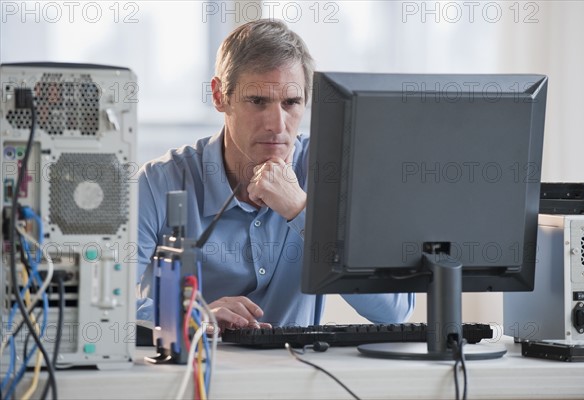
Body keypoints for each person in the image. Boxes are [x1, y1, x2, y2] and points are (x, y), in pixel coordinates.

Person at [136, 19, 414, 331]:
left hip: (296, 374)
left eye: (291, 103)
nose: (277, 125)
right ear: (219, 96)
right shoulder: (158, 183)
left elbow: (393, 310)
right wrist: (193, 316)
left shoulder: (332, 174)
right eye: (257, 101)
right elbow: (105, 307)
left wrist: (302, 213)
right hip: (195, 371)